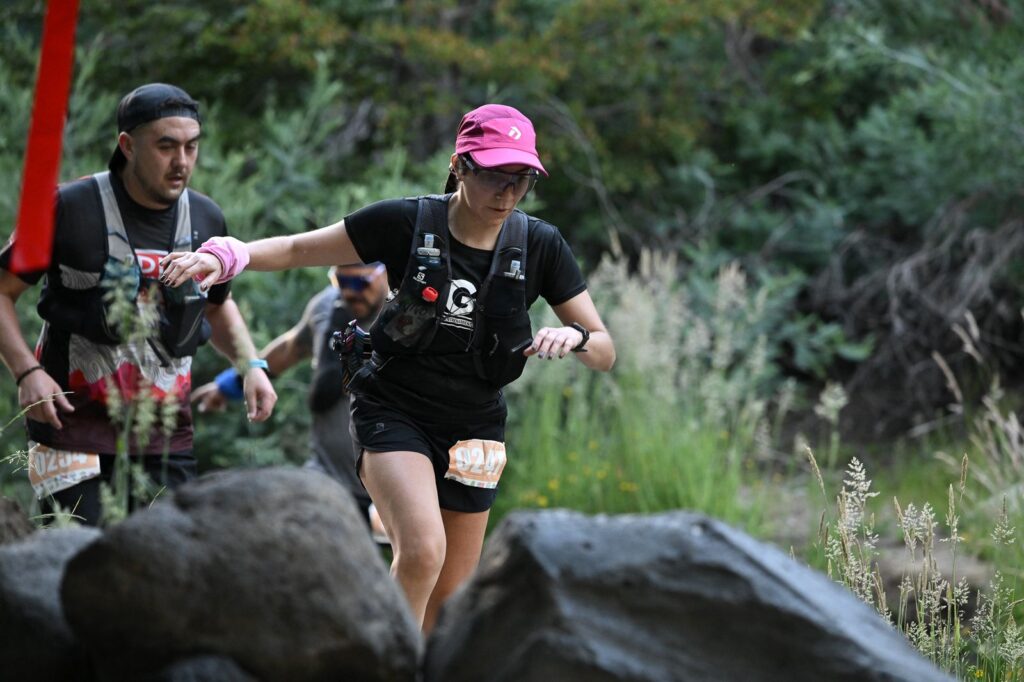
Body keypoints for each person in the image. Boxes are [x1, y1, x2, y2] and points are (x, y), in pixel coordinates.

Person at [160, 103, 615, 631]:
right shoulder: (406, 222)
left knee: (450, 600)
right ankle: (385, 660)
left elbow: (605, 351)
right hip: (395, 408)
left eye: (521, 180)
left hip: (475, 425)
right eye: (495, 175)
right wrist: (226, 256)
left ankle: (416, 661)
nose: (507, 193)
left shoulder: (539, 244)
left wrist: (578, 336)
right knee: (422, 551)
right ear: (460, 166)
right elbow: (295, 248)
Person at [0, 83, 276, 526]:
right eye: (166, 146)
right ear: (127, 145)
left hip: (164, 434)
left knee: (165, 557)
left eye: (191, 146)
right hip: (67, 427)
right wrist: (26, 372)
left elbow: (216, 304)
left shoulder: (206, 218)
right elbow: (2, 292)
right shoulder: (66, 207)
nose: (181, 161)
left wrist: (251, 366)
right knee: (77, 551)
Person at [191, 263, 390, 540]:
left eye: (360, 283)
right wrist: (231, 385)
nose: (349, 292)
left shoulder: (410, 314)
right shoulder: (326, 307)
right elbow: (290, 348)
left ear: (386, 273)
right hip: (330, 479)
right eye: (341, 282)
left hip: (395, 483)